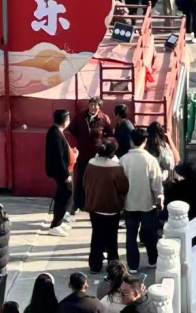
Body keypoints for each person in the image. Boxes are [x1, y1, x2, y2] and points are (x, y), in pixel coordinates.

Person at [119, 128, 163, 272]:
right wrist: (159, 200)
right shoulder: (151, 160)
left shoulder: (123, 160)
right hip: (147, 204)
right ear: (145, 141)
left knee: (131, 235)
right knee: (150, 234)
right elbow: (156, 184)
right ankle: (152, 259)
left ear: (131, 141)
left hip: (129, 204)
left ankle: (132, 265)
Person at [83, 138, 129, 273]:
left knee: (96, 236)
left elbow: (84, 183)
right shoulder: (116, 167)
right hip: (112, 207)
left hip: (95, 206)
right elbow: (123, 187)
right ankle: (113, 266)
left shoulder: (91, 163)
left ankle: (95, 264)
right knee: (112, 238)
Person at [44, 108, 75, 234]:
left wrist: (73, 154)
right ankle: (55, 225)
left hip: (66, 169)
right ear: (65, 121)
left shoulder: (57, 131)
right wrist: (65, 175)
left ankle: (59, 221)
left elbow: (63, 152)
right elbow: (58, 157)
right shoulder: (55, 134)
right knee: (65, 195)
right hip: (62, 172)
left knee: (64, 195)